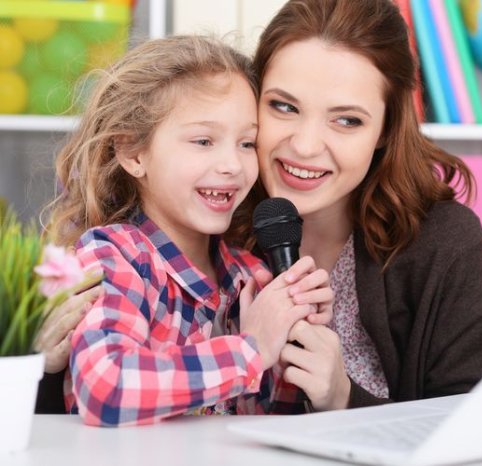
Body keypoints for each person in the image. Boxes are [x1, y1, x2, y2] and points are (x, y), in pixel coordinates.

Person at [37, 0, 482, 414]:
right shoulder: (210, 219)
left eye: (347, 120)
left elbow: (479, 430)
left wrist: (342, 396)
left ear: (385, 131)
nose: (305, 146)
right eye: (284, 107)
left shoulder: (445, 243)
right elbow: (96, 394)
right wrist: (40, 371)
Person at [43, 35, 333, 426]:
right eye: (203, 140)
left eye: (247, 143)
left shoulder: (249, 276)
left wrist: (296, 338)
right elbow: (106, 389)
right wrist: (251, 349)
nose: (232, 164)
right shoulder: (115, 257)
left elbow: (276, 420)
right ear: (132, 153)